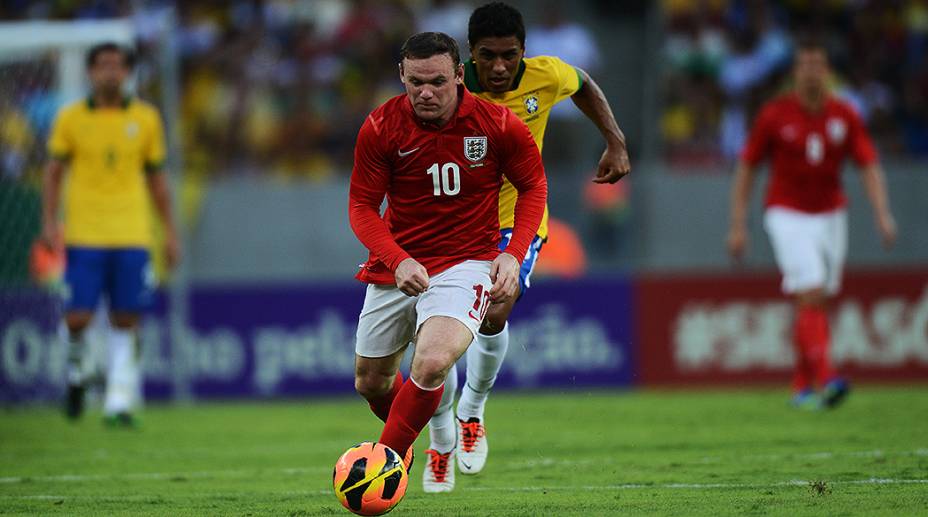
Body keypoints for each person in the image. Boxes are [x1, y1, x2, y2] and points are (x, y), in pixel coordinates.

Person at [423, 1, 631, 492]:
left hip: (513, 224)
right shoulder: (443, 89)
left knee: (495, 309)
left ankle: (472, 410)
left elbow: (582, 83)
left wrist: (615, 141)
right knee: (434, 341)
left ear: (524, 52)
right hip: (444, 226)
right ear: (467, 57)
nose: (499, 67)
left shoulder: (544, 76)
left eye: (509, 56)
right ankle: (440, 439)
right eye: (487, 56)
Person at [348, 31, 547, 486]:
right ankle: (429, 433)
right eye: (415, 81)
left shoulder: (496, 123)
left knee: (433, 361)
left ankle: (387, 463)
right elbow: (361, 207)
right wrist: (397, 260)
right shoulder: (381, 127)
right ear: (401, 74)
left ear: (459, 75)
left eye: (437, 81)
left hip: (467, 262)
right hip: (400, 265)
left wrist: (512, 254)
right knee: (371, 381)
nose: (425, 92)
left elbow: (534, 186)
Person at [727, 39, 896, 410]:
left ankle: (801, 387)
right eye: (805, 65)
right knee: (812, 291)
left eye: (817, 64)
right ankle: (828, 376)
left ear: (828, 72)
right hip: (786, 212)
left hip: (831, 212)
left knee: (817, 300)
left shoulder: (844, 114)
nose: (811, 71)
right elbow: (747, 168)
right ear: (794, 73)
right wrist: (738, 224)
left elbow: (868, 164)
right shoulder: (774, 115)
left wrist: (883, 214)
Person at [42, 42, 179, 426]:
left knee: (127, 319)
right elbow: (53, 173)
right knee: (77, 319)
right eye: (103, 65)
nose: (110, 72)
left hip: (132, 233)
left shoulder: (147, 119)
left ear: (128, 72)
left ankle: (118, 401)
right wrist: (49, 222)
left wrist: (169, 233)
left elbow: (158, 181)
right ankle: (77, 373)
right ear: (90, 72)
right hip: (84, 234)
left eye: (118, 65)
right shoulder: (70, 119)